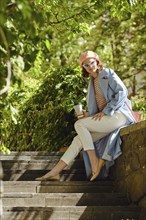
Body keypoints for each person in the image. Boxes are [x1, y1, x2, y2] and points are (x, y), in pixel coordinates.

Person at [35, 50, 136, 182]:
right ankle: (54, 172)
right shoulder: (92, 82)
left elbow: (122, 92)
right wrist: (89, 114)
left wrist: (106, 111)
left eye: (91, 62)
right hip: (108, 119)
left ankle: (94, 161)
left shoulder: (107, 73)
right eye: (86, 65)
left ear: (97, 61)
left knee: (79, 124)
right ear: (83, 67)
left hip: (119, 115)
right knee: (78, 140)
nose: (90, 66)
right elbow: (100, 107)